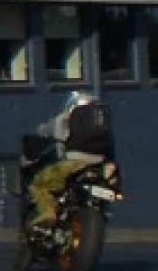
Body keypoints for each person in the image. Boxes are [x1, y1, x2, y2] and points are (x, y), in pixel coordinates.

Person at [27, 89, 115, 232]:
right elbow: (110, 148)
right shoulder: (102, 125)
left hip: (73, 164)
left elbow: (44, 134)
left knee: (38, 185)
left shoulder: (63, 118)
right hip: (100, 166)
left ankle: (48, 212)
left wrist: (32, 147)